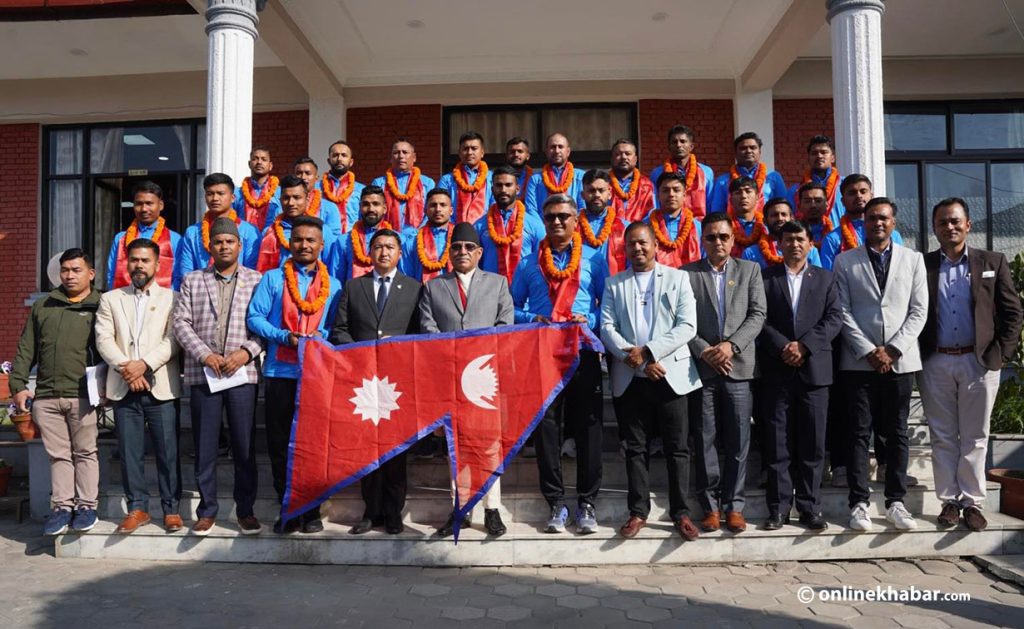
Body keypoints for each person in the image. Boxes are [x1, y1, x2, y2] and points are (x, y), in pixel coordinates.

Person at [919, 198, 1023, 532]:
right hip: (936, 361)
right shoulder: (923, 265)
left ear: (968, 225)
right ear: (934, 228)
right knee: (943, 436)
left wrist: (1000, 356)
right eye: (941, 223)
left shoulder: (992, 261)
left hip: (979, 362)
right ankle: (949, 502)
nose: (948, 227)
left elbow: (1013, 313)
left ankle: (972, 503)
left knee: (976, 436)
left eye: (954, 221)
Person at [600, 222, 702, 541]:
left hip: (670, 376)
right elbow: (606, 327)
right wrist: (638, 360)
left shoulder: (678, 278)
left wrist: (649, 353)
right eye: (631, 244)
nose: (638, 248)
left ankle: (681, 513)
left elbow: (687, 326)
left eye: (643, 243)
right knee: (635, 447)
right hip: (631, 378)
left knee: (677, 448)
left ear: (656, 245)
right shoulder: (615, 284)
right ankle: (638, 512)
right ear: (625, 248)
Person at [512, 194, 608, 534]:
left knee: (589, 429)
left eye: (563, 216)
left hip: (582, 352)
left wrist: (591, 318)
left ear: (575, 219)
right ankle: (555, 501)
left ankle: (587, 502)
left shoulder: (595, 259)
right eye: (550, 216)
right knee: (548, 429)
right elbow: (511, 307)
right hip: (542, 352)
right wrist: (531, 317)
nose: (556, 222)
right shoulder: (529, 263)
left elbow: (606, 306)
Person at [834, 197, 928, 532]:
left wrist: (893, 350)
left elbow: (919, 311)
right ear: (864, 222)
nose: (878, 223)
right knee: (859, 432)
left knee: (897, 432)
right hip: (859, 363)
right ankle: (858, 503)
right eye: (872, 218)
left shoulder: (913, 260)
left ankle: (896, 501)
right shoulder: (845, 262)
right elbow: (841, 311)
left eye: (884, 218)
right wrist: (869, 350)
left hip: (900, 362)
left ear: (894, 222)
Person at [247, 216, 343, 534]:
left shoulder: (336, 284)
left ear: (321, 245)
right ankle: (287, 507)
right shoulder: (273, 279)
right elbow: (255, 317)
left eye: (310, 240)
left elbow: (336, 326)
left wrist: (321, 336)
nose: (304, 245)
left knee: (314, 444)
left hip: (317, 375)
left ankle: (312, 510)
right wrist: (282, 335)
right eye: (298, 239)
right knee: (279, 444)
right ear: (290, 242)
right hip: (279, 372)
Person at [419, 222, 514, 538]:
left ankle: (491, 509)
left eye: (468, 248)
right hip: (448, 377)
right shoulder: (434, 287)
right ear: (450, 251)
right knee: (455, 445)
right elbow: (428, 329)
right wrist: (454, 355)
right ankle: (460, 507)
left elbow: (504, 327)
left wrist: (476, 355)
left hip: (485, 379)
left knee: (488, 445)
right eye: (456, 247)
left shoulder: (498, 283)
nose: (462, 252)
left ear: (479, 252)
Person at [173, 218, 265, 536]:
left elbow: (264, 326)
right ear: (208, 246)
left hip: (242, 373)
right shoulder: (192, 280)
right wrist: (205, 355)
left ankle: (246, 510)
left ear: (240, 246)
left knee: (243, 445)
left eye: (230, 241)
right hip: (204, 372)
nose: (224, 246)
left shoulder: (257, 280)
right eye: (218, 242)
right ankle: (207, 510)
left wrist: (245, 353)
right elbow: (181, 323)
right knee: (205, 445)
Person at [329, 229, 423, 535]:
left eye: (390, 247)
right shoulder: (354, 287)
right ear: (369, 253)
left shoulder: (414, 288)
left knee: (395, 448)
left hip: (398, 382)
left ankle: (394, 512)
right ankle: (371, 511)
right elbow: (339, 329)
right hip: (363, 382)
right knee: (367, 447)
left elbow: (421, 333)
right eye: (378, 247)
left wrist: (399, 350)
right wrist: (360, 352)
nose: (384, 252)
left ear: (399, 253)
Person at [684, 212, 766, 534]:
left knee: (738, 441)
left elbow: (758, 314)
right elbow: (683, 321)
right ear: (702, 240)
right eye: (711, 237)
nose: (717, 242)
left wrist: (731, 346)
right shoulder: (687, 274)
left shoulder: (750, 271)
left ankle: (735, 506)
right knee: (704, 440)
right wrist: (705, 350)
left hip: (738, 368)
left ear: (733, 239)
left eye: (723, 237)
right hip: (703, 369)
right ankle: (710, 507)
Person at [757, 220, 843, 531]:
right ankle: (778, 509)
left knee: (813, 444)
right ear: (779, 244)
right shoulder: (765, 278)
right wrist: (784, 346)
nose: (794, 244)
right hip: (777, 371)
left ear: (811, 244)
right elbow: (758, 319)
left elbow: (835, 319)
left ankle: (810, 508)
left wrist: (804, 346)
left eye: (800, 239)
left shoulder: (826, 279)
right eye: (788, 239)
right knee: (778, 444)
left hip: (815, 372)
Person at [11, 248, 102, 536]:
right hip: (47, 394)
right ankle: (62, 507)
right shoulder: (45, 305)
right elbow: (27, 348)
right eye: (65, 270)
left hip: (83, 394)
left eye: (76, 270)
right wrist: (18, 385)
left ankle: (87, 506)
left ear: (91, 273)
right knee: (58, 455)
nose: (70, 275)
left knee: (86, 452)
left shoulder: (102, 304)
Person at [95, 238, 182, 534]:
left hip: (161, 386)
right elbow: (103, 339)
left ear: (158, 264)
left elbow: (174, 340)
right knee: (129, 451)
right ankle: (137, 508)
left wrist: (143, 365)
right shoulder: (111, 299)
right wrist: (128, 369)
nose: (139, 265)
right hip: (123, 386)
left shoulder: (173, 298)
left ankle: (171, 509)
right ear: (126, 263)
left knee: (167, 451)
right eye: (134, 260)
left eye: (145, 260)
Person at [176, 173, 260, 280]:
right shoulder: (192, 233)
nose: (215, 198)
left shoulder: (249, 231)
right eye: (210, 194)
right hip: (200, 291)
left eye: (221, 193)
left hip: (240, 291)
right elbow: (186, 272)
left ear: (233, 198)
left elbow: (251, 271)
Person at [473, 164, 545, 285]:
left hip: (524, 298)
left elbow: (542, 260)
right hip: (489, 294)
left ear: (517, 189)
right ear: (492, 189)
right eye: (499, 185)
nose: (503, 190)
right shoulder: (479, 226)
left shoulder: (534, 224)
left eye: (508, 185)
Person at [819, 174, 905, 271]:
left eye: (863, 191)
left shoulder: (892, 235)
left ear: (871, 196)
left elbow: (901, 269)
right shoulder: (833, 239)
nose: (859, 196)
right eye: (852, 193)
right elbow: (829, 279)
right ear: (842, 201)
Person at [107, 181, 182, 290]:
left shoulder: (174, 239)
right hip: (125, 299)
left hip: (161, 302)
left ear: (160, 205)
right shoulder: (121, 238)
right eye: (139, 204)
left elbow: (177, 277)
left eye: (149, 203)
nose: (144, 209)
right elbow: (111, 275)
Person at [257, 175, 337, 272]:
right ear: (280, 200)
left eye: (297, 197)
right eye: (286, 198)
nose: (291, 203)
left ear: (307, 200)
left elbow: (331, 267)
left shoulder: (322, 230)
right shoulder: (269, 232)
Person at [710, 132, 787, 215]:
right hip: (733, 226)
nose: (748, 151)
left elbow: (784, 208)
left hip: (766, 226)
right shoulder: (723, 181)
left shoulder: (773, 177)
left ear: (760, 152)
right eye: (743, 148)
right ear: (735, 154)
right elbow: (717, 212)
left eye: (753, 148)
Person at [333, 185, 397, 282]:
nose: (371, 209)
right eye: (366, 204)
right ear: (360, 207)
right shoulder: (343, 241)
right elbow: (336, 280)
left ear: (384, 208)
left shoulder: (398, 241)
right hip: (353, 295)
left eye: (376, 204)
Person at [648, 124, 714, 218]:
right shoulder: (657, 173)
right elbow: (655, 204)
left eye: (683, 141)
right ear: (669, 147)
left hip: (699, 227)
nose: (678, 145)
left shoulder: (706, 172)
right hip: (666, 226)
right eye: (674, 142)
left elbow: (710, 204)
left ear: (691, 146)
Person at [371, 138, 437, 230]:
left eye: (405, 152)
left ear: (414, 157)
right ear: (390, 158)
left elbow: (431, 211)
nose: (401, 156)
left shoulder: (427, 183)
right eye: (396, 152)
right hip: (387, 237)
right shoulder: (379, 183)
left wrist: (418, 232)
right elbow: (374, 210)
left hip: (419, 236)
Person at [742, 198, 822, 269]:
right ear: (765, 221)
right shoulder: (751, 253)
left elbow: (817, 279)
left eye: (784, 214)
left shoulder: (809, 250)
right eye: (774, 215)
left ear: (792, 218)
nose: (780, 218)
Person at [646, 171, 702, 267]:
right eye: (665, 190)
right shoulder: (646, 226)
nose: (671, 194)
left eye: (676, 190)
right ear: (658, 195)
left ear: (684, 195)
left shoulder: (697, 227)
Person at [787, 135, 844, 228]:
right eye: (814, 153)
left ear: (833, 157)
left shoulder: (845, 186)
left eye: (824, 152)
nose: (819, 156)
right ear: (808, 158)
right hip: (807, 239)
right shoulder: (795, 191)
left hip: (840, 240)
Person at [580, 169, 628, 277]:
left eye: (601, 190)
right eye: (591, 191)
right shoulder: (572, 228)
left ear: (610, 194)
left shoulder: (625, 228)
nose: (597, 195)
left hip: (616, 287)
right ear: (583, 195)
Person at [438, 131, 492, 224]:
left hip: (485, 230)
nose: (469, 152)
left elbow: (495, 207)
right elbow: (440, 207)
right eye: (465, 149)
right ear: (459, 153)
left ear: (482, 153)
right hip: (454, 231)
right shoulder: (447, 180)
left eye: (474, 148)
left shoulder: (493, 178)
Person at [400, 188, 453, 283]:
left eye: (443, 205)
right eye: (433, 205)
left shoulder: (459, 239)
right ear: (425, 210)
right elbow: (406, 278)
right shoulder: (412, 242)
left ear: (451, 210)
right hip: (422, 295)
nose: (438, 209)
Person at [525, 133, 585, 216]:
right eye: (553, 147)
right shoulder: (535, 180)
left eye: (560, 147)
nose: (557, 151)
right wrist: (543, 228)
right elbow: (531, 210)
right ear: (546, 152)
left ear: (568, 151)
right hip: (543, 227)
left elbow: (583, 208)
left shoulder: (581, 176)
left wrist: (571, 225)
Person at [317, 140, 365, 233]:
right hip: (323, 239)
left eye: (344, 155)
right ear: (328, 160)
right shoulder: (316, 188)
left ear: (351, 162)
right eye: (335, 155)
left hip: (350, 241)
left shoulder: (362, 190)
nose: (339, 159)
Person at [290, 156, 343, 238]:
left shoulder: (329, 208)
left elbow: (334, 238)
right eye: (299, 173)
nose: (303, 177)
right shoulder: (286, 205)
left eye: (307, 173)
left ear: (316, 178)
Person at [233, 145, 280, 230]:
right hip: (244, 240)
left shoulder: (280, 192)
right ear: (249, 164)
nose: (259, 162)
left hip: (270, 239)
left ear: (270, 165)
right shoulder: (238, 193)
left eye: (264, 159)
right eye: (255, 159)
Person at [608, 139, 655, 222]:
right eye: (618, 154)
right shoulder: (603, 184)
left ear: (635, 159)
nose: (623, 157)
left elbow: (652, 214)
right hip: (608, 232)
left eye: (628, 154)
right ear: (611, 159)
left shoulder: (647, 185)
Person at [725, 176, 767, 258]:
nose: (743, 196)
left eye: (748, 191)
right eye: (738, 192)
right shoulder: (724, 226)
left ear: (757, 197)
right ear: (731, 199)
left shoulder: (766, 225)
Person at [795, 182, 833, 248]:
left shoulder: (836, 233)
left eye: (818, 201)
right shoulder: (792, 234)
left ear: (827, 205)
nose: (813, 205)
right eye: (807, 201)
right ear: (799, 206)